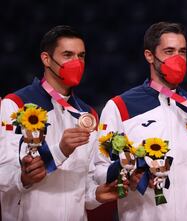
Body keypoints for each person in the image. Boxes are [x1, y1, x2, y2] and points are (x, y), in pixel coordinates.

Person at [94, 21, 187, 220]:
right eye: (169, 51)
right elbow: (99, 170)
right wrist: (126, 175)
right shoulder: (120, 107)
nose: (177, 59)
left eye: (182, 52)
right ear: (149, 55)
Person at [0, 25, 118, 221]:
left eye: (81, 56)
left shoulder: (87, 115)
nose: (77, 62)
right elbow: (4, 175)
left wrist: (97, 195)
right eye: (68, 55)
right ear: (46, 59)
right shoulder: (15, 104)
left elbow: (84, 187)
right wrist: (59, 151)